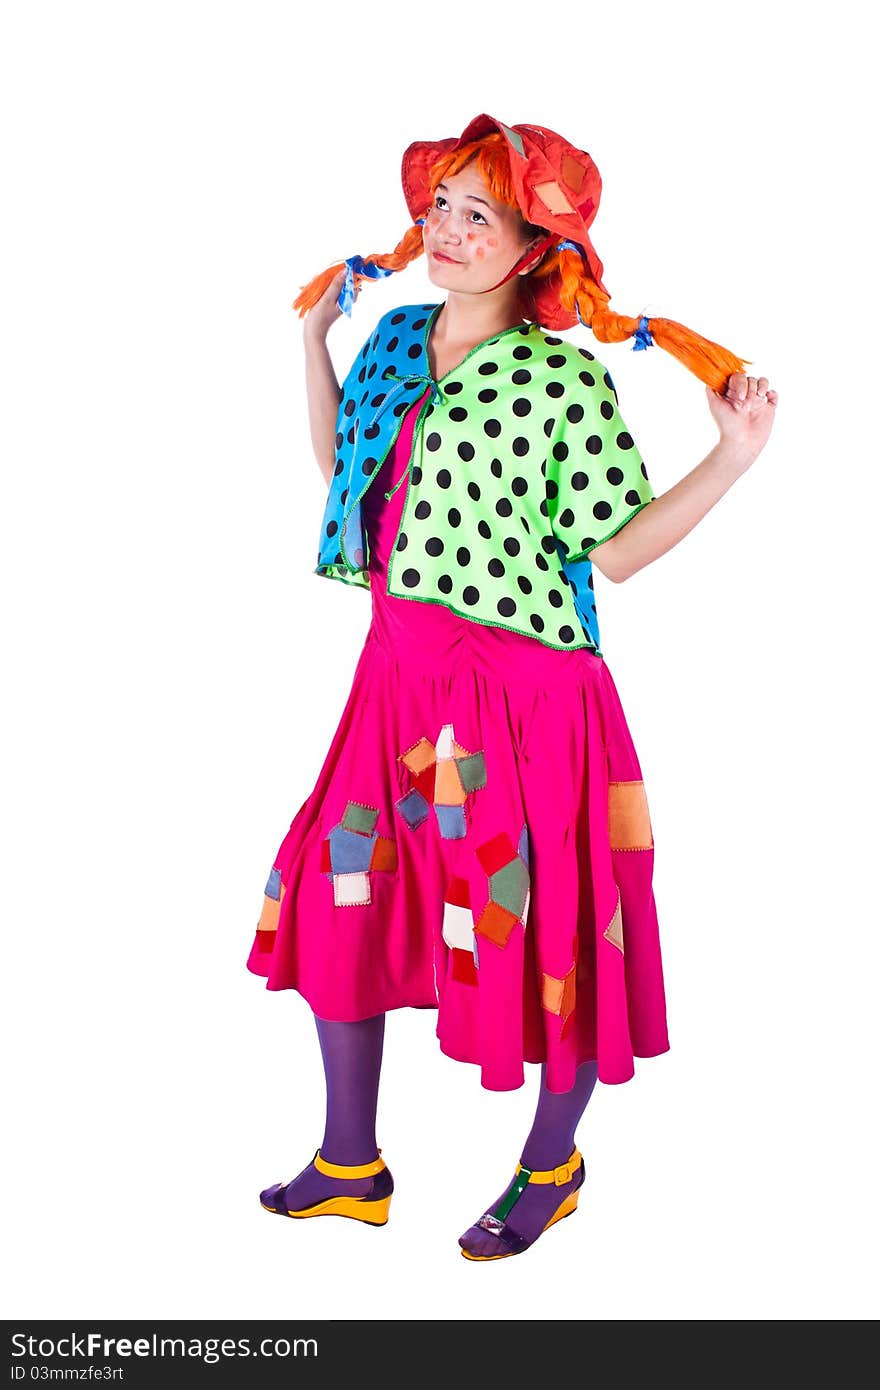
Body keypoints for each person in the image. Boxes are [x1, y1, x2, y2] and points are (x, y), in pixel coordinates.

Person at [247, 114, 778, 1261]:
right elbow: (349, 474)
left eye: (477, 213)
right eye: (440, 204)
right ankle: (350, 1160)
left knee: (537, 933)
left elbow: (621, 554)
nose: (446, 228)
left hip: (525, 707)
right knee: (342, 889)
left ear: (537, 246)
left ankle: (550, 1162)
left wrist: (732, 459)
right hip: (395, 682)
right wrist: (312, 346)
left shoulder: (562, 385)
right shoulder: (391, 340)